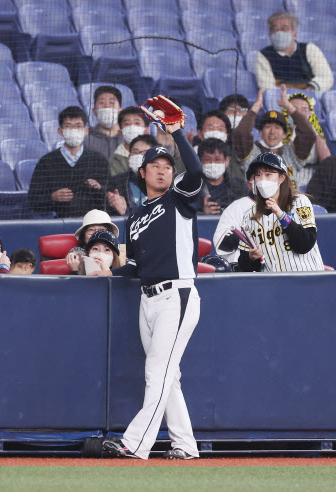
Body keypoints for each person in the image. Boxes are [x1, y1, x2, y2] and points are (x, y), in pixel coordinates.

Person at [98, 96, 203, 461]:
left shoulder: (179, 198)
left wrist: (178, 136)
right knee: (167, 377)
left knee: (156, 370)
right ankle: (186, 446)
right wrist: (111, 268)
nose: (162, 170)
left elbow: (196, 173)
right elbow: (137, 266)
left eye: (166, 166)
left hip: (178, 295)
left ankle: (135, 443)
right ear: (141, 173)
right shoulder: (137, 214)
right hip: (148, 297)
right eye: (154, 166)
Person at [238, 152, 324, 272]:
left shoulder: (299, 202)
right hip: (273, 286)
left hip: (306, 281)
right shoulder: (249, 215)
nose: (262, 180)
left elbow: (305, 245)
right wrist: (251, 258)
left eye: (268, 174)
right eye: (258, 175)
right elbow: (244, 266)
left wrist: (282, 216)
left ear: (282, 178)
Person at [28, 106, 109, 218]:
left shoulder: (99, 161)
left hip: (92, 223)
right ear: (60, 131)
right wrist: (52, 197)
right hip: (60, 224)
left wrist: (99, 188)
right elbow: (33, 200)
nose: (73, 130)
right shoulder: (46, 162)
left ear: (86, 131)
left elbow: (110, 197)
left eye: (78, 126)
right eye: (68, 126)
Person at [233, 86, 316, 191]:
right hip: (258, 203)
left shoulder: (292, 152)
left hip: (290, 204)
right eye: (267, 127)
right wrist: (256, 107)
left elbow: (308, 133)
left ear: (285, 134)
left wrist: (288, 106)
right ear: (260, 132)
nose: (272, 132)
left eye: (277, 128)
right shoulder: (251, 151)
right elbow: (241, 132)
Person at [255, 11, 333, 94]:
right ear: (270, 34)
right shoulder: (263, 56)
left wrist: (310, 89)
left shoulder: (310, 49)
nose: (278, 32)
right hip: (281, 102)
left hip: (310, 97)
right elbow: (267, 88)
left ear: (294, 34)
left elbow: (326, 77)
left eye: (284, 28)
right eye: (274, 29)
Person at [105, 135, 157, 215]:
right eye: (135, 152)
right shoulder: (116, 182)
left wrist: (126, 212)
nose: (139, 156)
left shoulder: (165, 183)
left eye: (145, 153)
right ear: (129, 157)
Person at [197, 138, 249, 215]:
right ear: (200, 161)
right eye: (207, 160)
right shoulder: (190, 188)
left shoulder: (240, 187)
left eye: (217, 160)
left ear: (227, 161)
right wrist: (202, 213)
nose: (212, 164)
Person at [281, 92, 331, 166]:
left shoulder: (317, 138)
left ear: (310, 113)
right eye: (294, 109)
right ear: (286, 112)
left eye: (304, 109)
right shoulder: (278, 131)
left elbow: (327, 163)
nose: (299, 113)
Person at [212, 180, 255, 264]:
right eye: (259, 175)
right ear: (250, 183)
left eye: (268, 175)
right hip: (243, 270)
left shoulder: (285, 207)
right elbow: (223, 245)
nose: (264, 180)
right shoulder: (237, 207)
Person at [67, 209, 120, 273]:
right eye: (91, 230)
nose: (96, 233)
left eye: (101, 229)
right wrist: (76, 271)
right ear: (84, 235)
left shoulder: (121, 261)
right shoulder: (79, 254)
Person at [84, 85, 123, 161]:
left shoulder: (130, 138)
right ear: (94, 111)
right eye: (101, 103)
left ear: (120, 111)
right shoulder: (86, 139)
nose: (107, 106)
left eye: (112, 103)